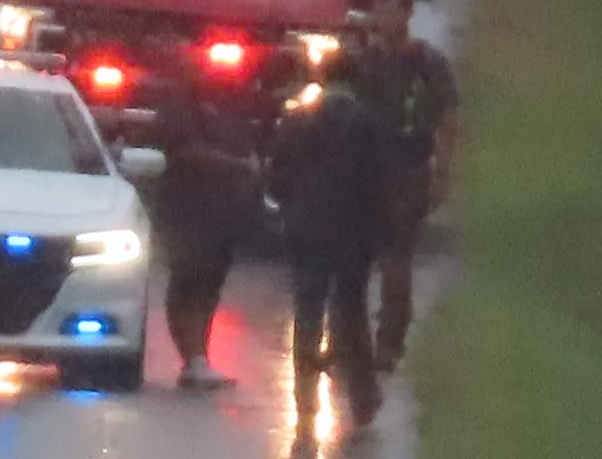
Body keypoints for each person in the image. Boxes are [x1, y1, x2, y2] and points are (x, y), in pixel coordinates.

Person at [268, 34, 404, 403]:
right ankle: (361, 396)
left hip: (305, 230)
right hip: (351, 235)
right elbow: (379, 184)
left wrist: (291, 209)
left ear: (322, 80)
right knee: (350, 311)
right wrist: (385, 234)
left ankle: (304, 396)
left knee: (307, 309)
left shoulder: (296, 120)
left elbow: (277, 175)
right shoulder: (368, 125)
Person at [145, 67, 270, 390]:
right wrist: (237, 165)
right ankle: (193, 358)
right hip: (185, 212)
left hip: (222, 215)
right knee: (187, 282)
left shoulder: (230, 108)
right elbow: (185, 154)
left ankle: (199, 358)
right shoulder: (178, 109)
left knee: (209, 285)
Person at [372, 27, 460, 372]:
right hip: (366, 167)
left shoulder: (428, 64)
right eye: (381, 8)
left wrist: (442, 172)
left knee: (396, 257)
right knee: (356, 257)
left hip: (409, 167)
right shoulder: (367, 61)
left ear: (405, 14)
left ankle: (389, 342)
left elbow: (448, 118)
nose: (385, 18)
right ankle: (349, 343)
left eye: (393, 8)